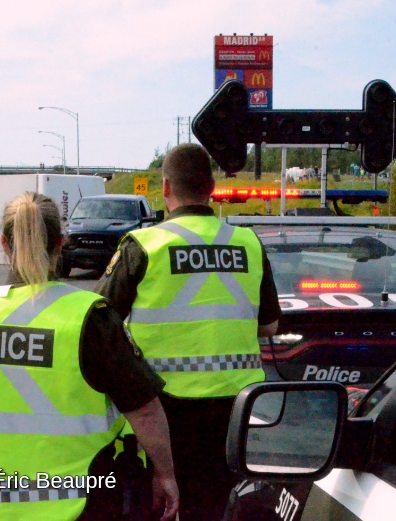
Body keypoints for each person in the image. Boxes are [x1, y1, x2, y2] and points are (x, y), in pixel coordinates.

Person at [0, 192, 179, 521]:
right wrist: (165, 474)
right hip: (75, 508)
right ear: (60, 244)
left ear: (3, 244)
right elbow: (145, 411)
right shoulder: (85, 317)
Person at [95, 143, 281, 521]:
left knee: (162, 506)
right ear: (211, 188)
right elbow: (270, 325)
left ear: (165, 188)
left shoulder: (145, 245)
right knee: (216, 508)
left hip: (163, 411)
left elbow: (98, 321)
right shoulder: (247, 242)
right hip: (235, 409)